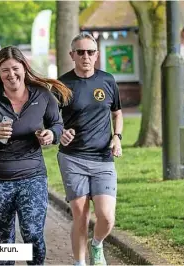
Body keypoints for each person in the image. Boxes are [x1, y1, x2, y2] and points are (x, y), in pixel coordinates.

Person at [0, 45, 72, 265]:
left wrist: (50, 135)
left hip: (32, 176)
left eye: (15, 68)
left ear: (24, 68)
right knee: (4, 240)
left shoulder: (42, 95)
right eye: (5, 70)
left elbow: (57, 124)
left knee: (33, 233)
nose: (11, 74)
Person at [57, 33, 123, 266]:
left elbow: (117, 112)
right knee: (81, 216)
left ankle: (97, 244)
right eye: (81, 52)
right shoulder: (62, 85)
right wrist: (60, 132)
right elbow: (51, 120)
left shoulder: (107, 80)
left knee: (106, 216)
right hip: (72, 158)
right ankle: (80, 263)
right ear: (72, 55)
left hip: (103, 158)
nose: (86, 56)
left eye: (90, 52)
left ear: (97, 55)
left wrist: (117, 137)